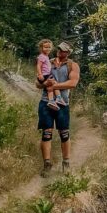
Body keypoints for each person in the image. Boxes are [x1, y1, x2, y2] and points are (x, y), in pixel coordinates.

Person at [38, 40, 80, 176]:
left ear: (68, 53)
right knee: (46, 133)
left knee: (64, 133)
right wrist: (45, 83)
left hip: (63, 104)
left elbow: (72, 83)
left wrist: (54, 86)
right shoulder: (48, 62)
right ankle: (47, 164)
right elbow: (37, 83)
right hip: (46, 102)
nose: (59, 51)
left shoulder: (72, 65)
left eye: (63, 50)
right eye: (59, 49)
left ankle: (66, 163)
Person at [36, 39, 60, 110]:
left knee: (50, 87)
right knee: (54, 84)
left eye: (49, 47)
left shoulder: (46, 56)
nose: (48, 49)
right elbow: (38, 65)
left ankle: (51, 101)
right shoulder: (42, 56)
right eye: (45, 47)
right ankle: (58, 98)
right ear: (41, 48)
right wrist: (40, 74)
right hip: (44, 75)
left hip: (46, 74)